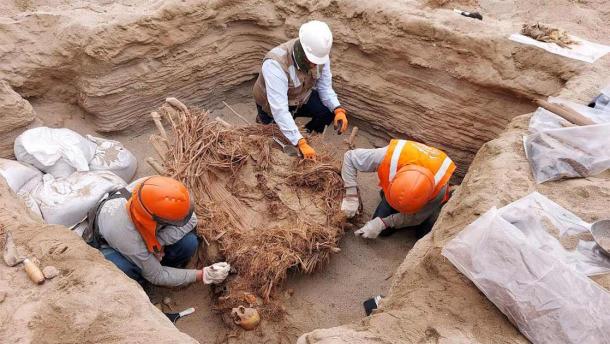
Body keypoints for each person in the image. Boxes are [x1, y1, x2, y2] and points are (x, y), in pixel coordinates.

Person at [85, 176, 230, 287]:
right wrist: (204, 275)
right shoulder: (123, 233)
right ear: (154, 220)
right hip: (114, 245)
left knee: (189, 243)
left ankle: (169, 269)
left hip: (142, 232)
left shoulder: (157, 187)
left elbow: (191, 219)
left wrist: (157, 243)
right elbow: (156, 275)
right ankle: (141, 286)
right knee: (124, 269)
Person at [252, 20, 348, 161]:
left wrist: (338, 109)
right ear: (302, 50)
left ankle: (307, 135)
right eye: (311, 61)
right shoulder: (275, 64)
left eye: (318, 62)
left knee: (327, 112)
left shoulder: (319, 55)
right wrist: (298, 141)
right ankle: (266, 122)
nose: (315, 65)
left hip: (301, 96)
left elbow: (324, 87)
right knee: (275, 142)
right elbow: (280, 109)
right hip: (272, 105)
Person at [341, 139, 456, 239]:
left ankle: (428, 217)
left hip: (428, 204)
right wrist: (351, 195)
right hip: (405, 167)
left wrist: (383, 223)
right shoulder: (387, 156)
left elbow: (416, 217)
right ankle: (389, 198)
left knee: (424, 233)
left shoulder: (439, 188)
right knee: (384, 232)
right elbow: (350, 157)